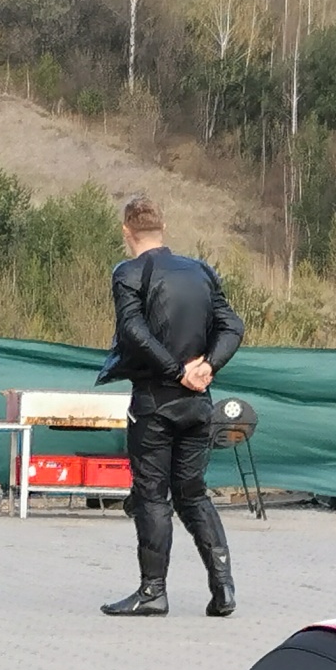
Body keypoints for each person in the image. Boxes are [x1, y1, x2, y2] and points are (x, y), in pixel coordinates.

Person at [96, 195, 244, 617]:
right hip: (198, 402)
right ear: (162, 229)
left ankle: (152, 591)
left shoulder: (129, 272)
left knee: (152, 495)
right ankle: (224, 588)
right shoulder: (200, 271)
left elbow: (133, 331)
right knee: (193, 494)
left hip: (155, 400)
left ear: (127, 231)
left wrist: (178, 371)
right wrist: (207, 366)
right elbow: (232, 325)